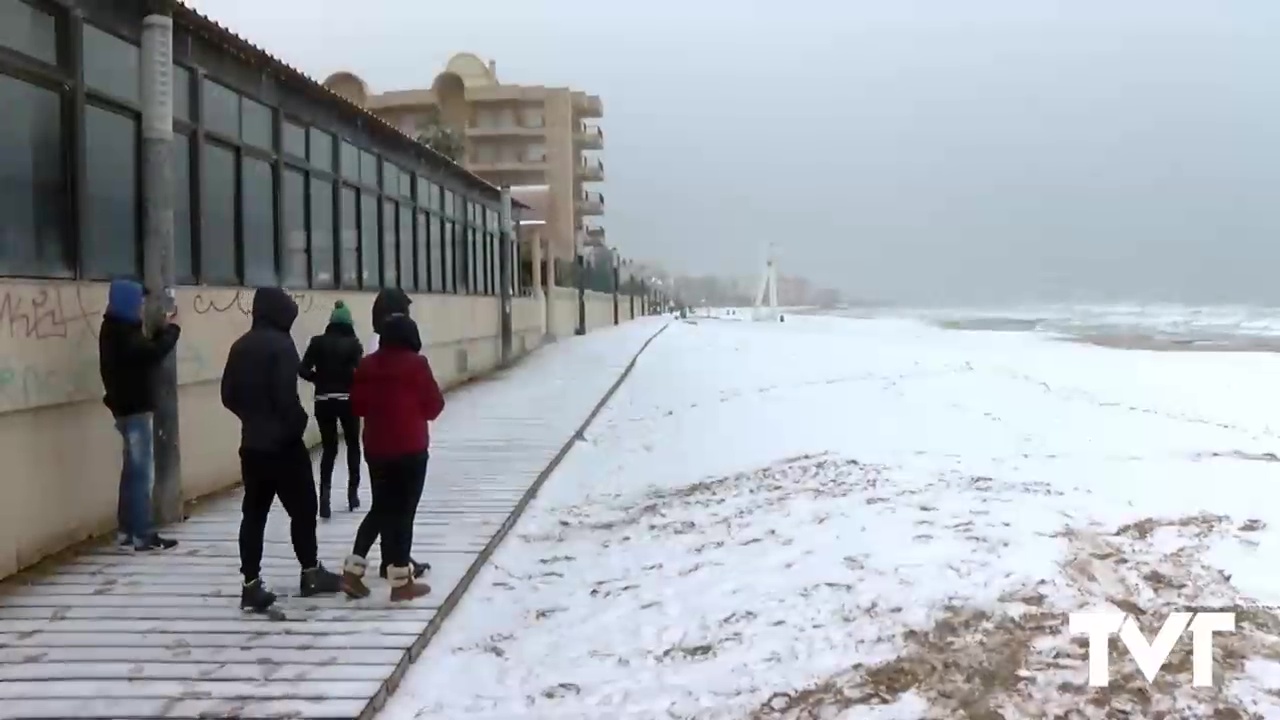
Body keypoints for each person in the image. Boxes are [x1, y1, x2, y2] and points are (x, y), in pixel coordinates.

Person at [220, 287, 340, 612]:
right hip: (284, 447)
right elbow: (285, 396)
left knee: (254, 515)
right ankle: (310, 572)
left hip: (253, 446)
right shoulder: (282, 346)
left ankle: (250, 583)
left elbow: (227, 395)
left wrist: (251, 417)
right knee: (303, 509)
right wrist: (297, 423)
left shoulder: (239, 347)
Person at [340, 311, 445, 601]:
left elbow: (357, 406)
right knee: (404, 513)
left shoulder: (367, 365)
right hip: (410, 449)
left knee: (381, 509)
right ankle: (401, 582)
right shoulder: (417, 364)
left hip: (376, 449)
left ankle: (353, 570)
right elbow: (434, 405)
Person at [99, 279, 181, 552]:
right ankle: (142, 533)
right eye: (140, 301)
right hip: (133, 410)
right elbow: (151, 353)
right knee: (140, 473)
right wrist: (171, 332)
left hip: (126, 408)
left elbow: (142, 353)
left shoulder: (118, 330)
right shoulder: (122, 333)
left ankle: (127, 529)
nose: (142, 306)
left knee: (131, 471)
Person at [299, 300, 364, 518]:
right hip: (348, 399)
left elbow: (302, 369)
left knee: (329, 448)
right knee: (353, 443)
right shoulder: (354, 344)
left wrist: (318, 379)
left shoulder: (317, 343)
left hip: (324, 399)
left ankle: (324, 497)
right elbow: (362, 372)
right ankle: (352, 494)